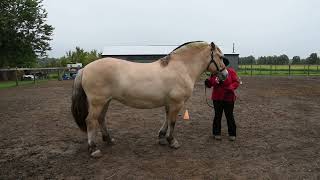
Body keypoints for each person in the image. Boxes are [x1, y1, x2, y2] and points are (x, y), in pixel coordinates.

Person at [205, 66, 240, 141]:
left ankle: (232, 134)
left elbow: (236, 82)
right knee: (217, 116)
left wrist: (231, 87)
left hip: (229, 98)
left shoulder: (231, 71)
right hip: (217, 98)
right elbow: (211, 83)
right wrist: (208, 82)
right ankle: (216, 133)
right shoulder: (214, 73)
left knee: (229, 116)